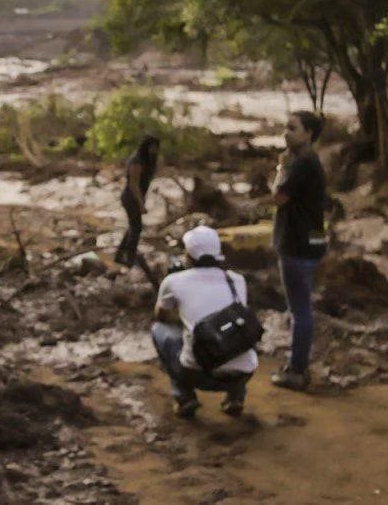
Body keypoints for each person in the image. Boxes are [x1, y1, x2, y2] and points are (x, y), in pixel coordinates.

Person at [151, 225, 258, 418]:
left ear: (188, 255)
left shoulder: (174, 281)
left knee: (159, 330)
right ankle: (235, 397)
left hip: (197, 374)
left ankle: (184, 396)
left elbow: (161, 316)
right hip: (243, 374)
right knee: (236, 332)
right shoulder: (236, 280)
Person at [270, 111, 328, 391]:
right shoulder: (313, 161)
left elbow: (277, 197)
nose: (286, 132)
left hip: (296, 245)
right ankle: (298, 365)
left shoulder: (300, 164)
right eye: (286, 126)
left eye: (292, 128)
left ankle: (296, 369)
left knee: (300, 311)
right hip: (312, 242)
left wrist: (281, 167)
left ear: (308, 134)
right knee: (302, 308)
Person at [114, 135, 160, 287]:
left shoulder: (148, 160)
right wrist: (140, 203)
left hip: (137, 197)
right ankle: (129, 257)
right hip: (131, 198)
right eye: (152, 147)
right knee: (136, 227)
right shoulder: (137, 161)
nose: (154, 150)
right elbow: (133, 184)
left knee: (133, 227)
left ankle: (120, 255)